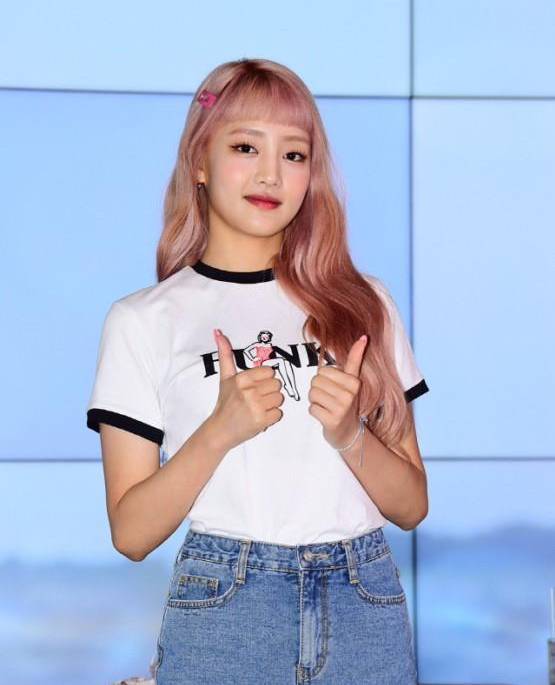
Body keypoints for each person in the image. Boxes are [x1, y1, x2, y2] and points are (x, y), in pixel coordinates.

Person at [86, 58, 430, 685]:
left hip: (365, 603)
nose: (271, 173)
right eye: (246, 147)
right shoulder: (142, 319)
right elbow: (131, 534)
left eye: (294, 154)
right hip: (226, 608)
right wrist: (219, 431)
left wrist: (350, 434)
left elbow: (411, 506)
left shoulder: (364, 303)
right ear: (200, 159)